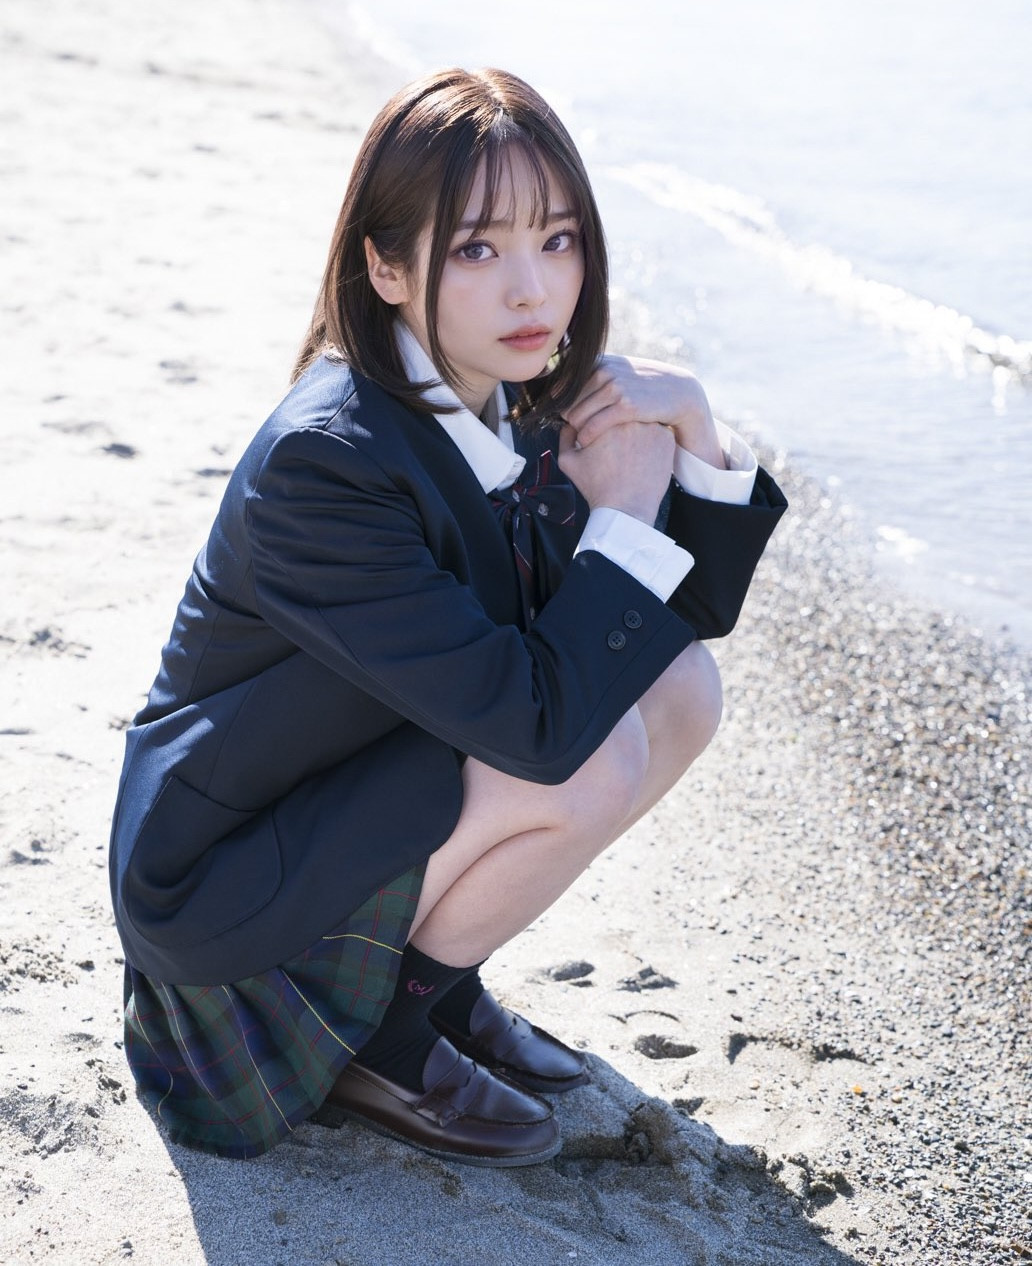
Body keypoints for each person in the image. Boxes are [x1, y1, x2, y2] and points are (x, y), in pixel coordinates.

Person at [108, 66, 787, 1168]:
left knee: (678, 691)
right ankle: (377, 1035)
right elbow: (540, 734)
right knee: (594, 753)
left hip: (363, 782)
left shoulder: (506, 392)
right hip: (225, 900)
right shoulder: (326, 464)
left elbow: (685, 618)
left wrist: (694, 429)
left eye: (557, 240)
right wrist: (619, 514)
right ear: (385, 266)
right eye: (476, 250)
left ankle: (427, 982)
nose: (532, 290)